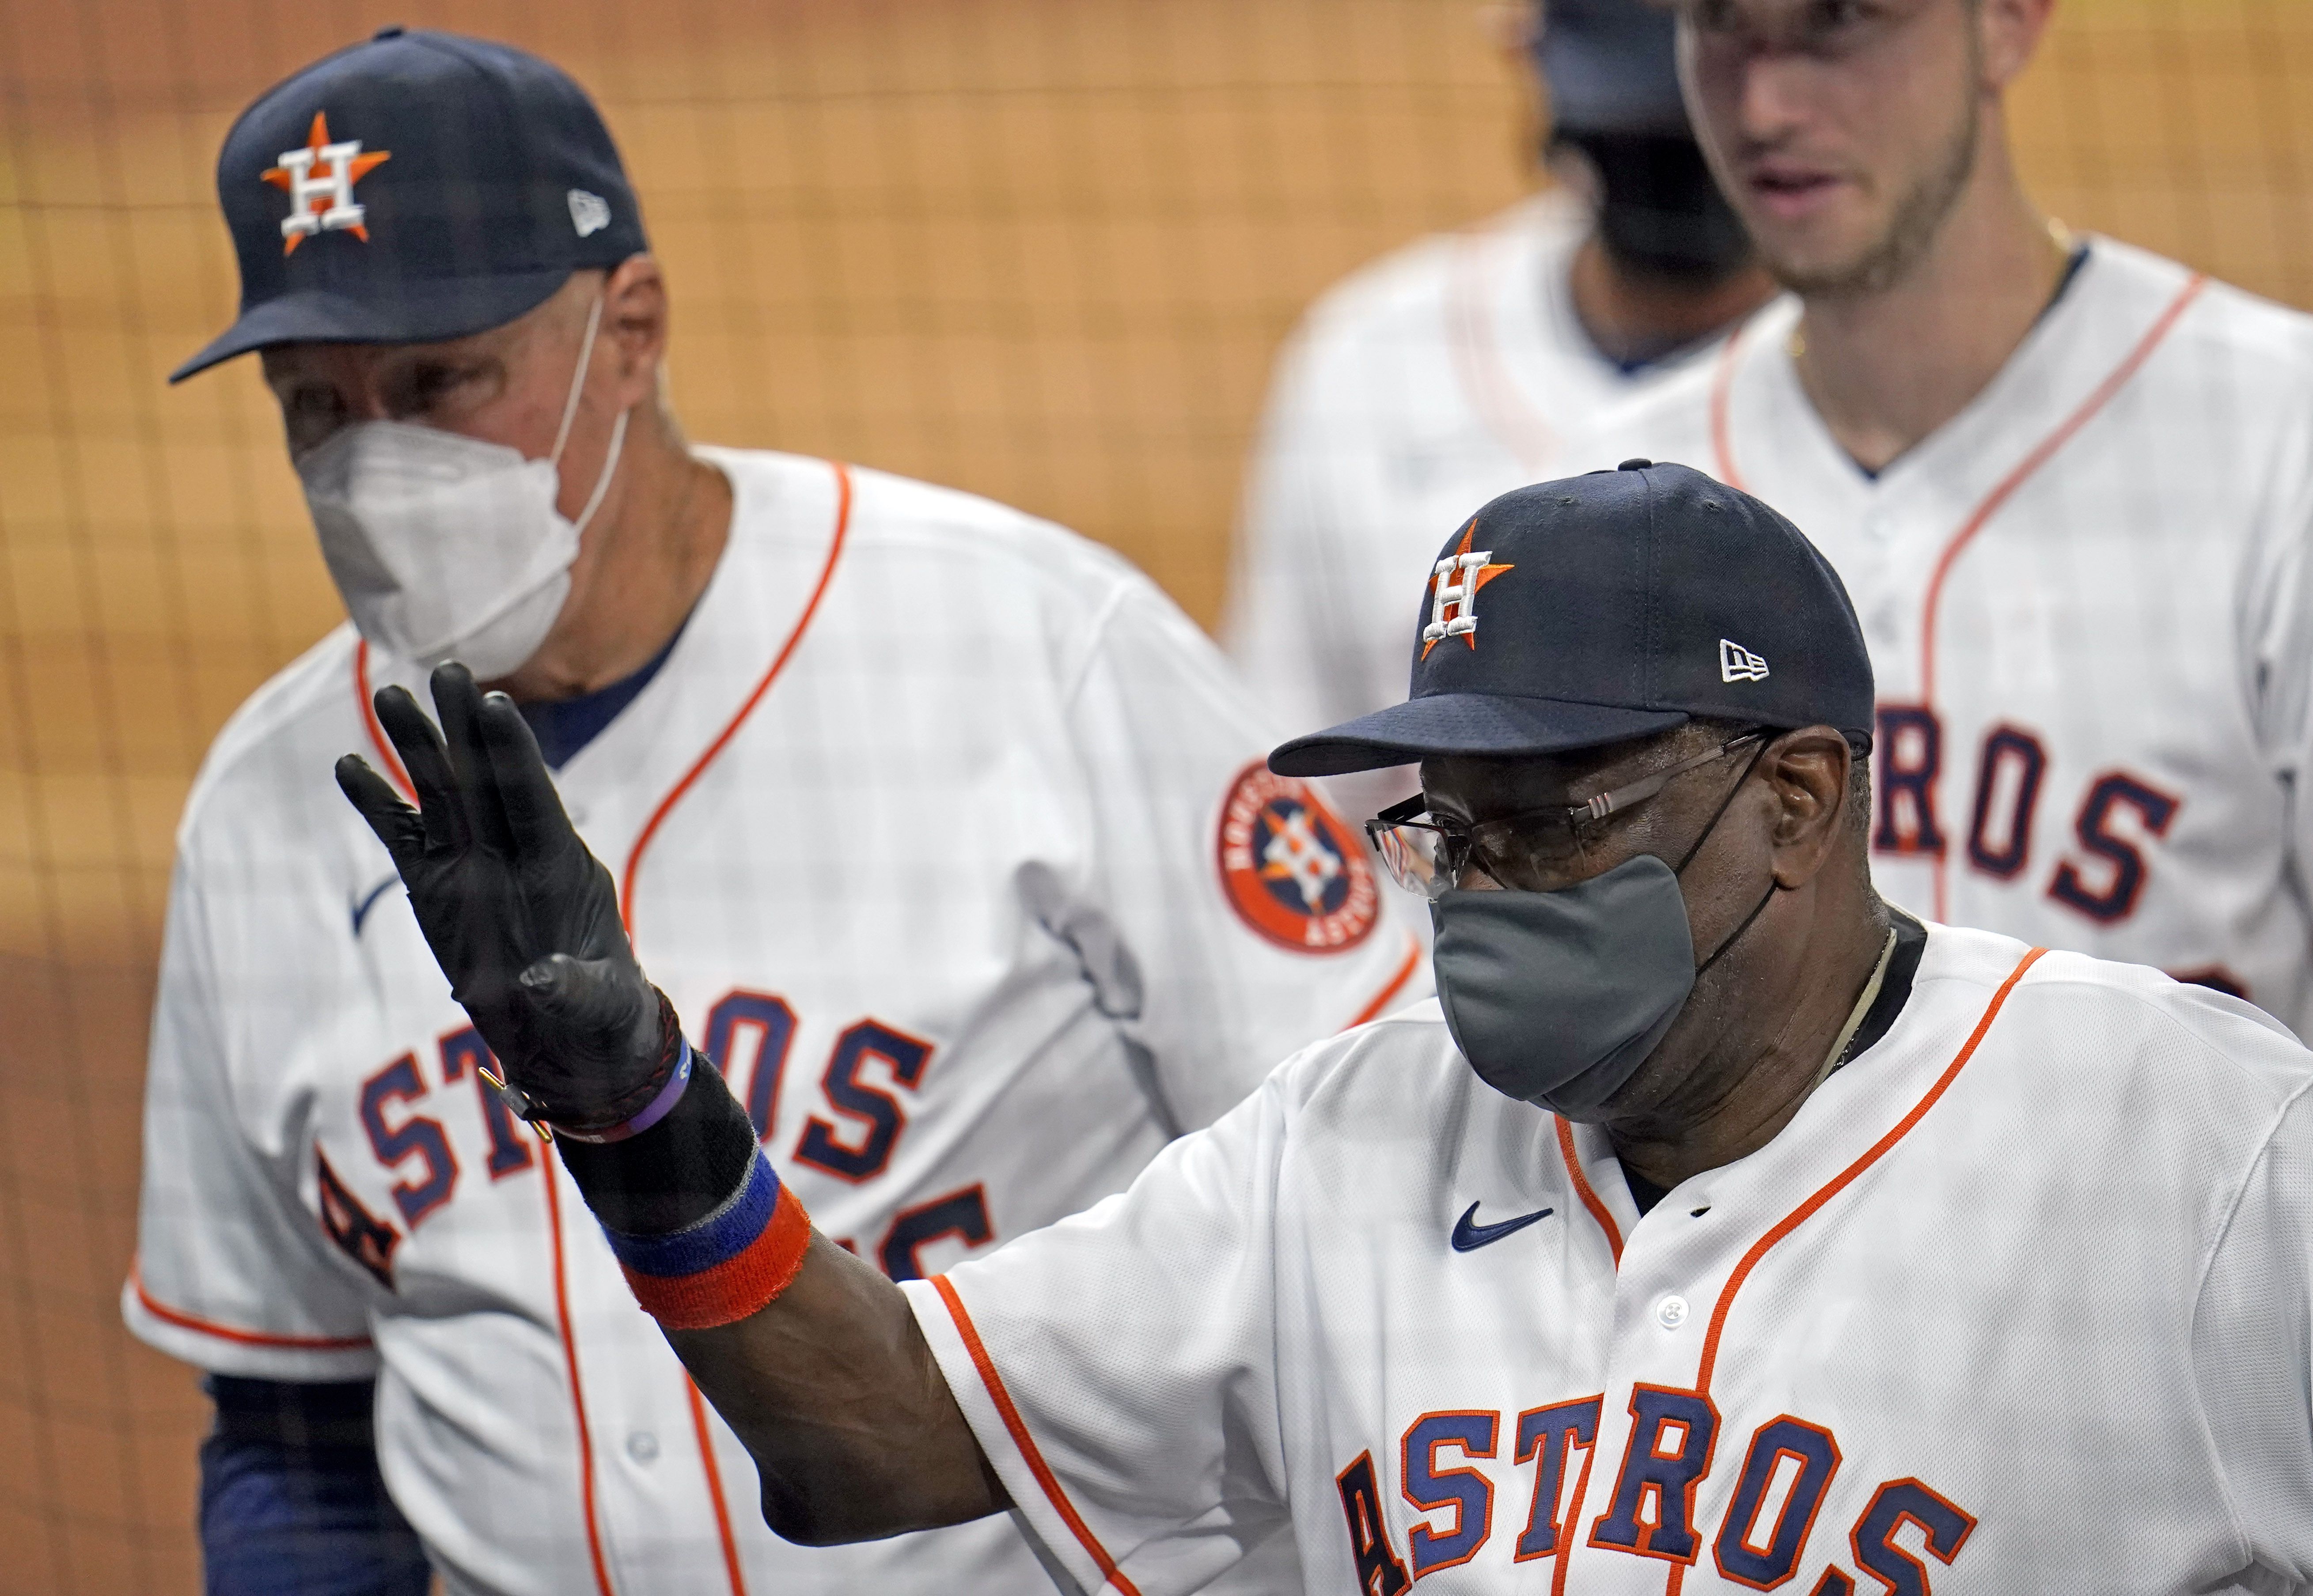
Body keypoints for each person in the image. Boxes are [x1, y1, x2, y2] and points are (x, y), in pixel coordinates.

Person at [342, 461, 2313, 1595]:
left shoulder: (2192, 1149)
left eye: (1559, 818)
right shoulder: (1345, 1146)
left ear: (1793, 805)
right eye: (1452, 829)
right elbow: (865, 1444)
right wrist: (629, 1108)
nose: (1485, 892)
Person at [125, 28, 1421, 1596]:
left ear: (632, 328)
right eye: (314, 406)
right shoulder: (266, 808)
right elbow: (293, 1426)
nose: (375, 456)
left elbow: (1390, 1178)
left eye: (439, 379)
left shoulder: (1033, 653)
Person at [1580, 0, 2313, 1089]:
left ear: (2007, 23)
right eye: (1722, 27)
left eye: (1836, 24)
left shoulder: (2302, 438)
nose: (1764, 106)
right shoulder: (1620, 498)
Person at [1221, 0, 1775, 825]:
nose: (1679, 167)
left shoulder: (1889, 379)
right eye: (1635, 132)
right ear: (1523, 47)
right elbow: (1286, 774)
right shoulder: (1370, 364)